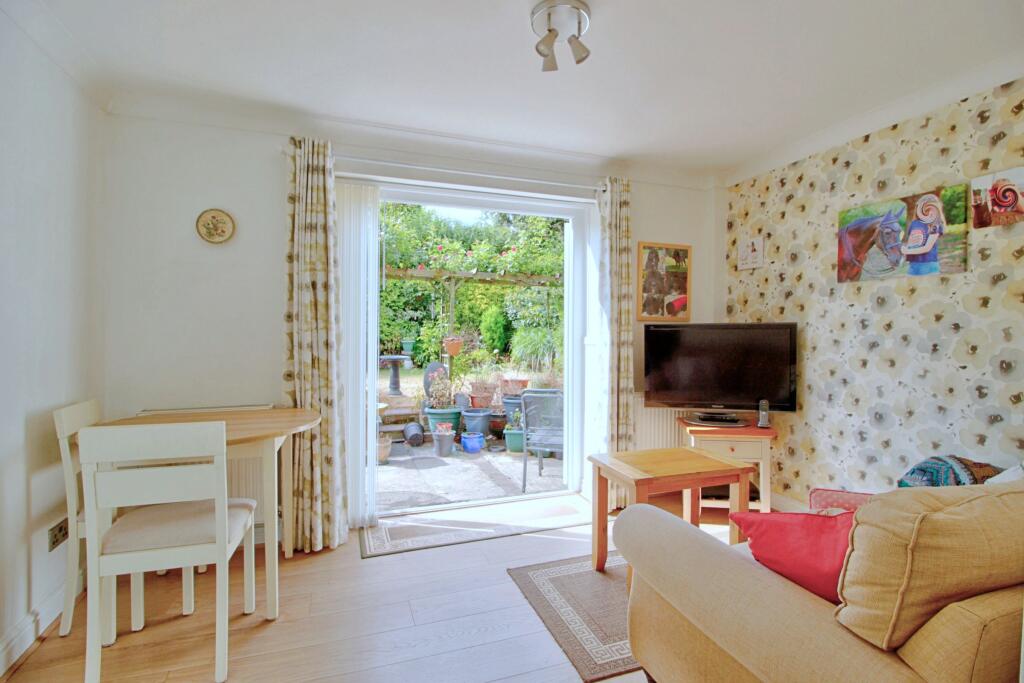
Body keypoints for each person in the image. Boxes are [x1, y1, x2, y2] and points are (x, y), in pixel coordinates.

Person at [901, 193, 944, 276]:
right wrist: (904, 249)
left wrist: (907, 251)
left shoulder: (935, 224)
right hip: (912, 266)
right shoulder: (914, 223)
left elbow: (927, 248)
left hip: (928, 266)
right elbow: (910, 244)